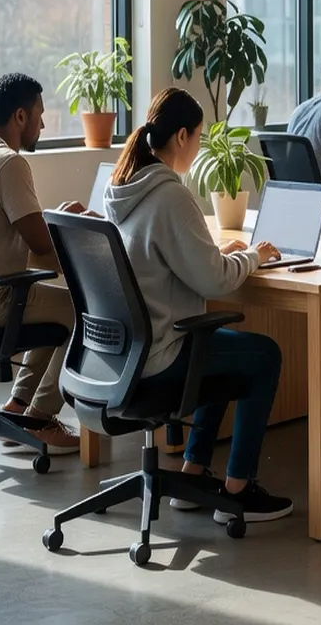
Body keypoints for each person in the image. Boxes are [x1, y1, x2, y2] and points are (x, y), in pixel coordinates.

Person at [103, 87, 293, 523]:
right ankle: (238, 488)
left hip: (123, 353)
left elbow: (174, 259)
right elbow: (213, 279)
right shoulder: (170, 195)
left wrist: (217, 253)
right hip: (160, 357)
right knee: (263, 356)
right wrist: (253, 257)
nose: (201, 147)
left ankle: (191, 474)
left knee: (214, 344)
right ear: (183, 136)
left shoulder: (121, 187)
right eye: (200, 137)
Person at [0, 73, 82, 454]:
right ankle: (39, 418)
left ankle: (19, 407)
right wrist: (85, 236)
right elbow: (40, 245)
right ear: (20, 117)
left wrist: (52, 215)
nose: (42, 123)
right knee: (83, 312)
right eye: (39, 114)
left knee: (51, 305)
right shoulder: (9, 164)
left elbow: (12, 222)